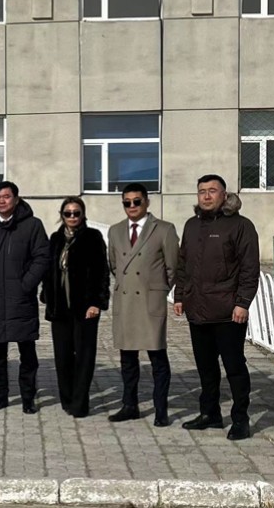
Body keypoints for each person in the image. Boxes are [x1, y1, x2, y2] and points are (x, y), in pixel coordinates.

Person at [174, 174, 259, 441]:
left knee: (234, 367)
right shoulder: (191, 225)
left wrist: (242, 303)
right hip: (198, 310)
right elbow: (183, 263)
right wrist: (180, 295)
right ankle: (210, 413)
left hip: (228, 312)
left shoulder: (240, 226)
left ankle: (240, 419)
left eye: (213, 190)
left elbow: (249, 268)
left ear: (225, 195)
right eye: (202, 191)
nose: (207, 196)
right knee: (206, 367)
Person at [107, 183, 179, 427]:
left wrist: (158, 289)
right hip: (126, 300)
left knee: (157, 357)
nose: (132, 206)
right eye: (126, 202)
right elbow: (114, 265)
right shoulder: (115, 231)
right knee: (127, 358)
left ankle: (161, 409)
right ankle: (130, 405)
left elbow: (173, 267)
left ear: (147, 202)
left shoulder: (164, 229)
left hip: (150, 301)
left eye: (136, 201)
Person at [0, 181, 49, 414]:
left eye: (6, 196)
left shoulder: (32, 225)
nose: (1, 201)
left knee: (27, 354)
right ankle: (0, 397)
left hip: (21, 301)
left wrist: (26, 284)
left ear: (16, 199)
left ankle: (28, 398)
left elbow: (42, 257)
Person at [41, 196, 109, 418]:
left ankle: (80, 403)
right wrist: (46, 295)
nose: (72, 217)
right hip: (60, 308)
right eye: (68, 213)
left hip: (85, 308)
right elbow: (49, 270)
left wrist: (97, 302)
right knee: (62, 357)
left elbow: (101, 271)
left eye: (76, 213)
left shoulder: (92, 237)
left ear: (83, 215)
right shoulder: (55, 239)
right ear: (62, 216)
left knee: (84, 356)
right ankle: (67, 399)